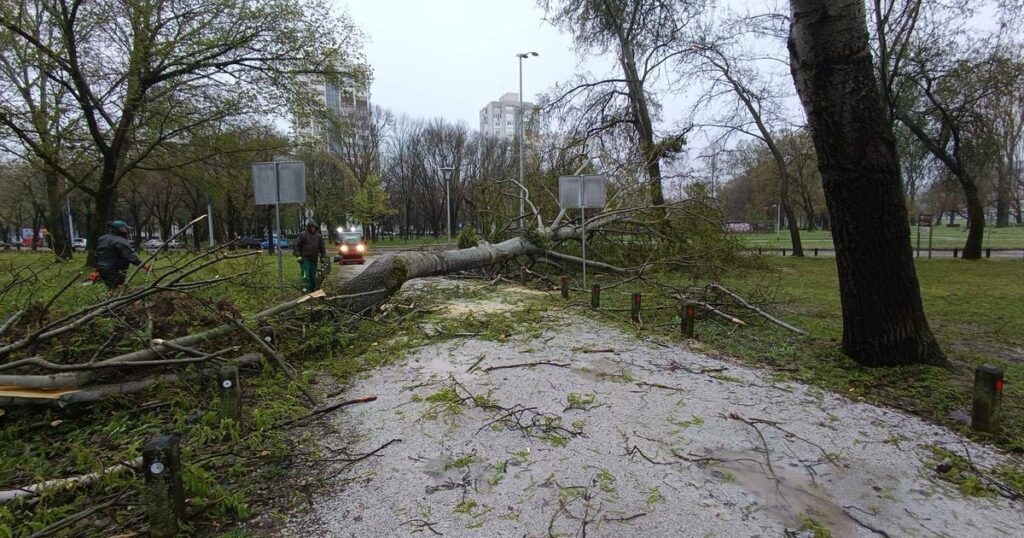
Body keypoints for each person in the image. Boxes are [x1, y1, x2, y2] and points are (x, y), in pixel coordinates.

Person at [95, 220, 150, 289]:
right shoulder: (121, 241)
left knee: (106, 288)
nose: (127, 231)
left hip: (101, 268)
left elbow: (97, 254)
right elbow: (130, 256)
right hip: (115, 270)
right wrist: (144, 265)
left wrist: (97, 269)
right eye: (125, 229)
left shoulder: (102, 238)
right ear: (120, 229)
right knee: (115, 289)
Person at [295, 222, 326, 292]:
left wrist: (323, 256)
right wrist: (298, 256)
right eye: (311, 227)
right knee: (305, 274)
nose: (313, 229)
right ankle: (305, 288)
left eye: (314, 227)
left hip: (314, 258)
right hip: (304, 258)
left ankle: (313, 288)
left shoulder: (318, 236)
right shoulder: (303, 235)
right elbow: (297, 246)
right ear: (308, 227)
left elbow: (322, 248)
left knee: (313, 275)